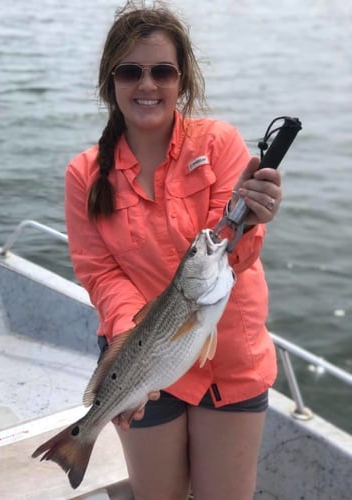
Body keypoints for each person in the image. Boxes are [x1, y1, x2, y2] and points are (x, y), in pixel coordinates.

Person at [64, 1, 282, 498]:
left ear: (181, 80)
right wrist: (131, 344)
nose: (147, 85)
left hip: (231, 355)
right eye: (130, 72)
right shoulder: (83, 174)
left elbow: (228, 254)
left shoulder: (221, 143)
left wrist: (251, 219)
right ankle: (81, 439)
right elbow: (100, 274)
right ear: (110, 81)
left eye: (162, 71)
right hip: (145, 358)